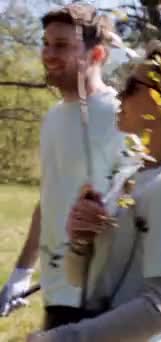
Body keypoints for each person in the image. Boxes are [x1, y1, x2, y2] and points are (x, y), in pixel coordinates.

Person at [27, 39, 161, 341]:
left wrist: (61, 339)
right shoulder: (132, 176)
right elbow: (81, 280)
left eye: (132, 88)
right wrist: (82, 242)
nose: (119, 95)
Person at [0, 3, 125, 327]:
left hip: (101, 296)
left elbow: (135, 206)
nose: (48, 54)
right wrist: (22, 272)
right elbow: (50, 200)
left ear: (97, 56)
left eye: (62, 46)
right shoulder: (54, 117)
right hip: (57, 293)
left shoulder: (121, 117)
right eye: (46, 43)